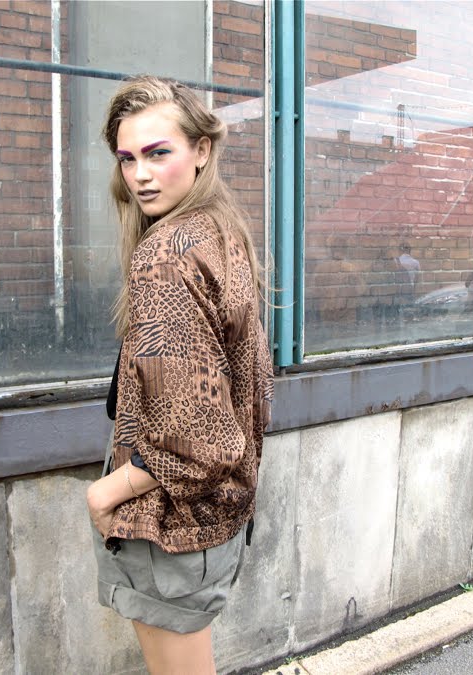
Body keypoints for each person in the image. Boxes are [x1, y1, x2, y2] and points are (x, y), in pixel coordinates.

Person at [86, 75, 274, 674]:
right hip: (211, 520)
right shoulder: (219, 231)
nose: (140, 175)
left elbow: (198, 440)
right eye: (127, 158)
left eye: (157, 153)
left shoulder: (166, 255)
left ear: (201, 150)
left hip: (168, 522)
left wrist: (106, 492)